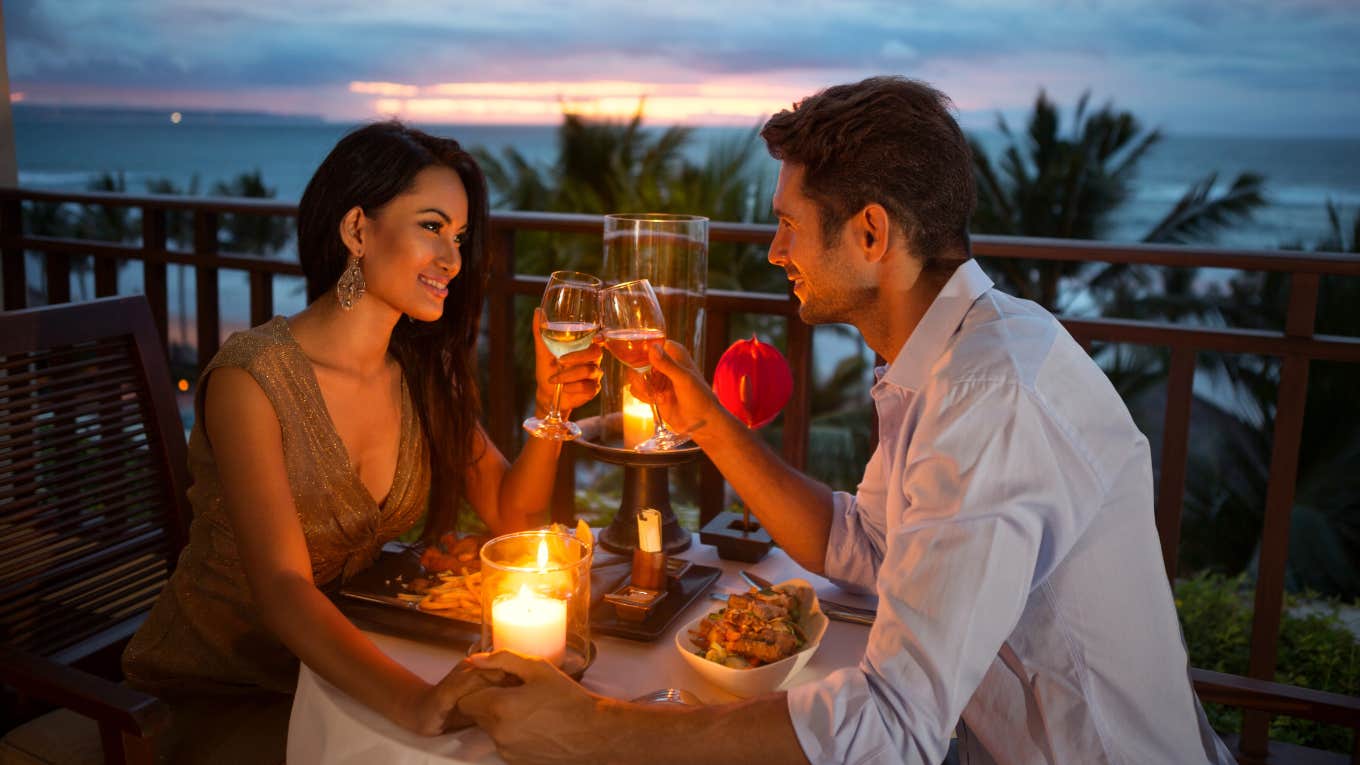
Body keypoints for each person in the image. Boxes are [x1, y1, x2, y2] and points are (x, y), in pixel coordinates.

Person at [454, 78, 1235, 764]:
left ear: (871, 234)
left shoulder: (987, 400)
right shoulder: (947, 355)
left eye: (789, 224)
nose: (771, 251)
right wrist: (712, 423)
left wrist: (594, 730)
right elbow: (866, 546)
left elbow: (890, 727)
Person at [120, 121, 602, 762]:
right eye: (431, 227)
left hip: (341, 667)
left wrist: (552, 408)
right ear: (356, 230)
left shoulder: (424, 373)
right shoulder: (252, 379)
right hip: (218, 689)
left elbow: (513, 516)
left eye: (458, 237)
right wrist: (417, 702)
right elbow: (284, 588)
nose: (454, 260)